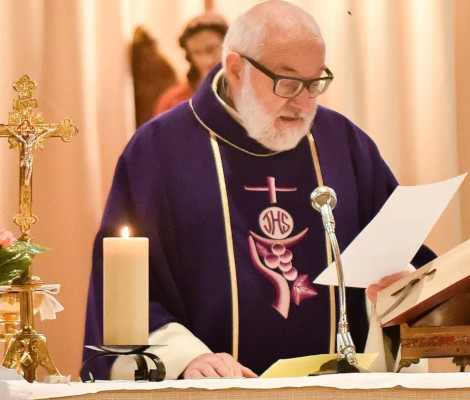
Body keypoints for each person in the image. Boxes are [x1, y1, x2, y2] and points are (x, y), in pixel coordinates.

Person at [84, 0, 435, 380]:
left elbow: (404, 265)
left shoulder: (344, 144)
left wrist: (397, 291)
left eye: (315, 82)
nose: (303, 102)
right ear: (236, 69)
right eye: (287, 81)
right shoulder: (159, 150)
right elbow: (122, 291)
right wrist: (185, 359)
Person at [154, 11, 229, 115]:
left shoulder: (248, 93)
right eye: (197, 53)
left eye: (211, 49)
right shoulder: (173, 100)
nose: (206, 61)